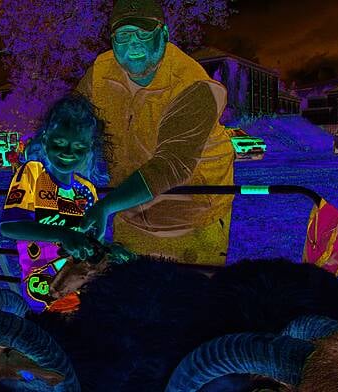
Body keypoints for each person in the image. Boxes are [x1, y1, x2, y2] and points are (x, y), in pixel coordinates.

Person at [76, 0, 235, 266]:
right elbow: (74, 116)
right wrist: (44, 144)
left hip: (193, 224)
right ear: (113, 40)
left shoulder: (193, 86)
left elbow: (172, 165)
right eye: (124, 35)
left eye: (144, 32)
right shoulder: (101, 71)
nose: (134, 43)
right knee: (132, 299)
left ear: (164, 34)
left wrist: (106, 205)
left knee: (187, 303)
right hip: (129, 217)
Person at [0, 93, 110, 314]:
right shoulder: (32, 173)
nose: (68, 152)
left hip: (82, 292)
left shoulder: (87, 190)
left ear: (89, 148)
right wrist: (65, 234)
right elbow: (10, 227)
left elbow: (92, 242)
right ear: (46, 139)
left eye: (78, 146)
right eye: (60, 142)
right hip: (43, 292)